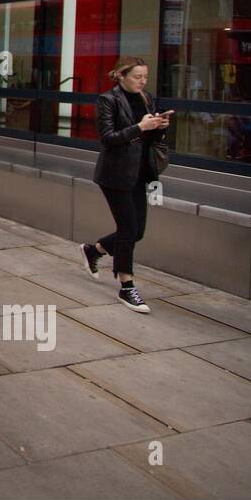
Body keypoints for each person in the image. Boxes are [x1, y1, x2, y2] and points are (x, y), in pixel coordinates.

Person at [80, 56, 172, 313]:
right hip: (115, 174)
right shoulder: (107, 100)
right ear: (121, 75)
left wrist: (160, 126)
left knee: (137, 231)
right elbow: (108, 138)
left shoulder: (147, 98)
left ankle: (94, 250)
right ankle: (126, 287)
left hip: (140, 172)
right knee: (128, 228)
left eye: (145, 77)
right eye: (137, 77)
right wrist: (139, 126)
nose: (143, 81)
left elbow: (150, 137)